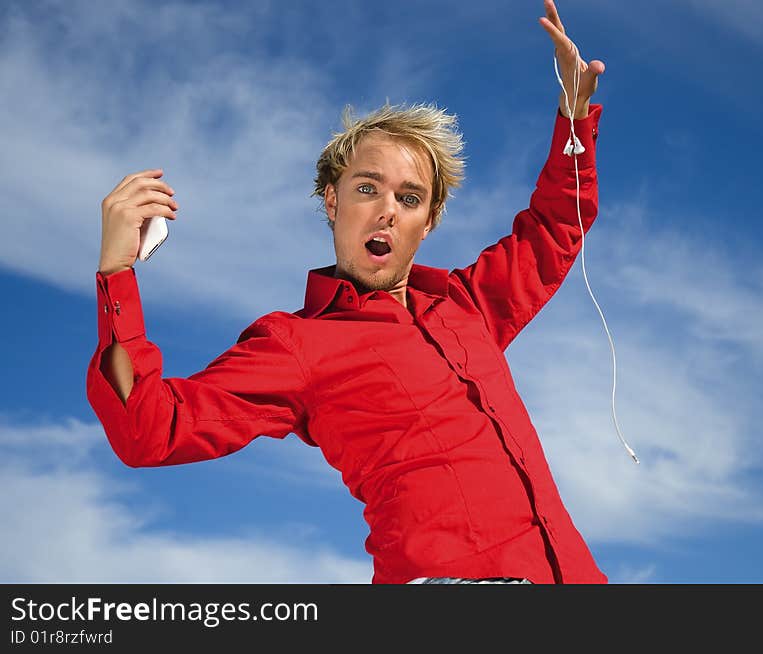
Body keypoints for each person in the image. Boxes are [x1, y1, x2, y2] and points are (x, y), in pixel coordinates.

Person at [86, 0, 608, 584]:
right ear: (332, 201)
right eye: (368, 188)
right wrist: (116, 271)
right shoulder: (295, 344)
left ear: (428, 220)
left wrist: (574, 114)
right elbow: (150, 430)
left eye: (409, 199)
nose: (387, 210)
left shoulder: (470, 307)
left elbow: (559, 224)